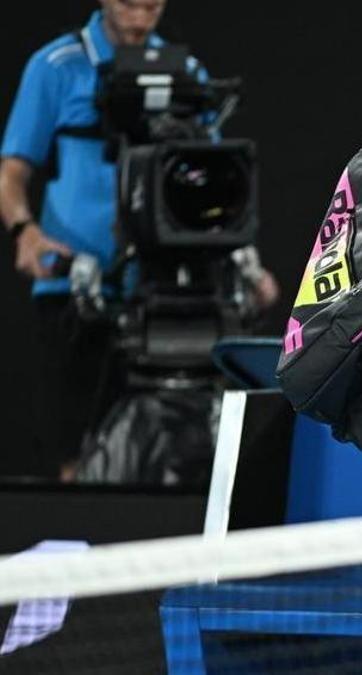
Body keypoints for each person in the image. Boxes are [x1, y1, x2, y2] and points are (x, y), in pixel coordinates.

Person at [0, 0, 278, 480]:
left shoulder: (187, 70)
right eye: (130, 1)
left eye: (151, 4)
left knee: (188, 451)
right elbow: (11, 172)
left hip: (170, 290)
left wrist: (246, 264)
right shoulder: (55, 67)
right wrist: (25, 231)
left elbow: (215, 178)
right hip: (78, 288)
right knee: (78, 457)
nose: (141, 13)